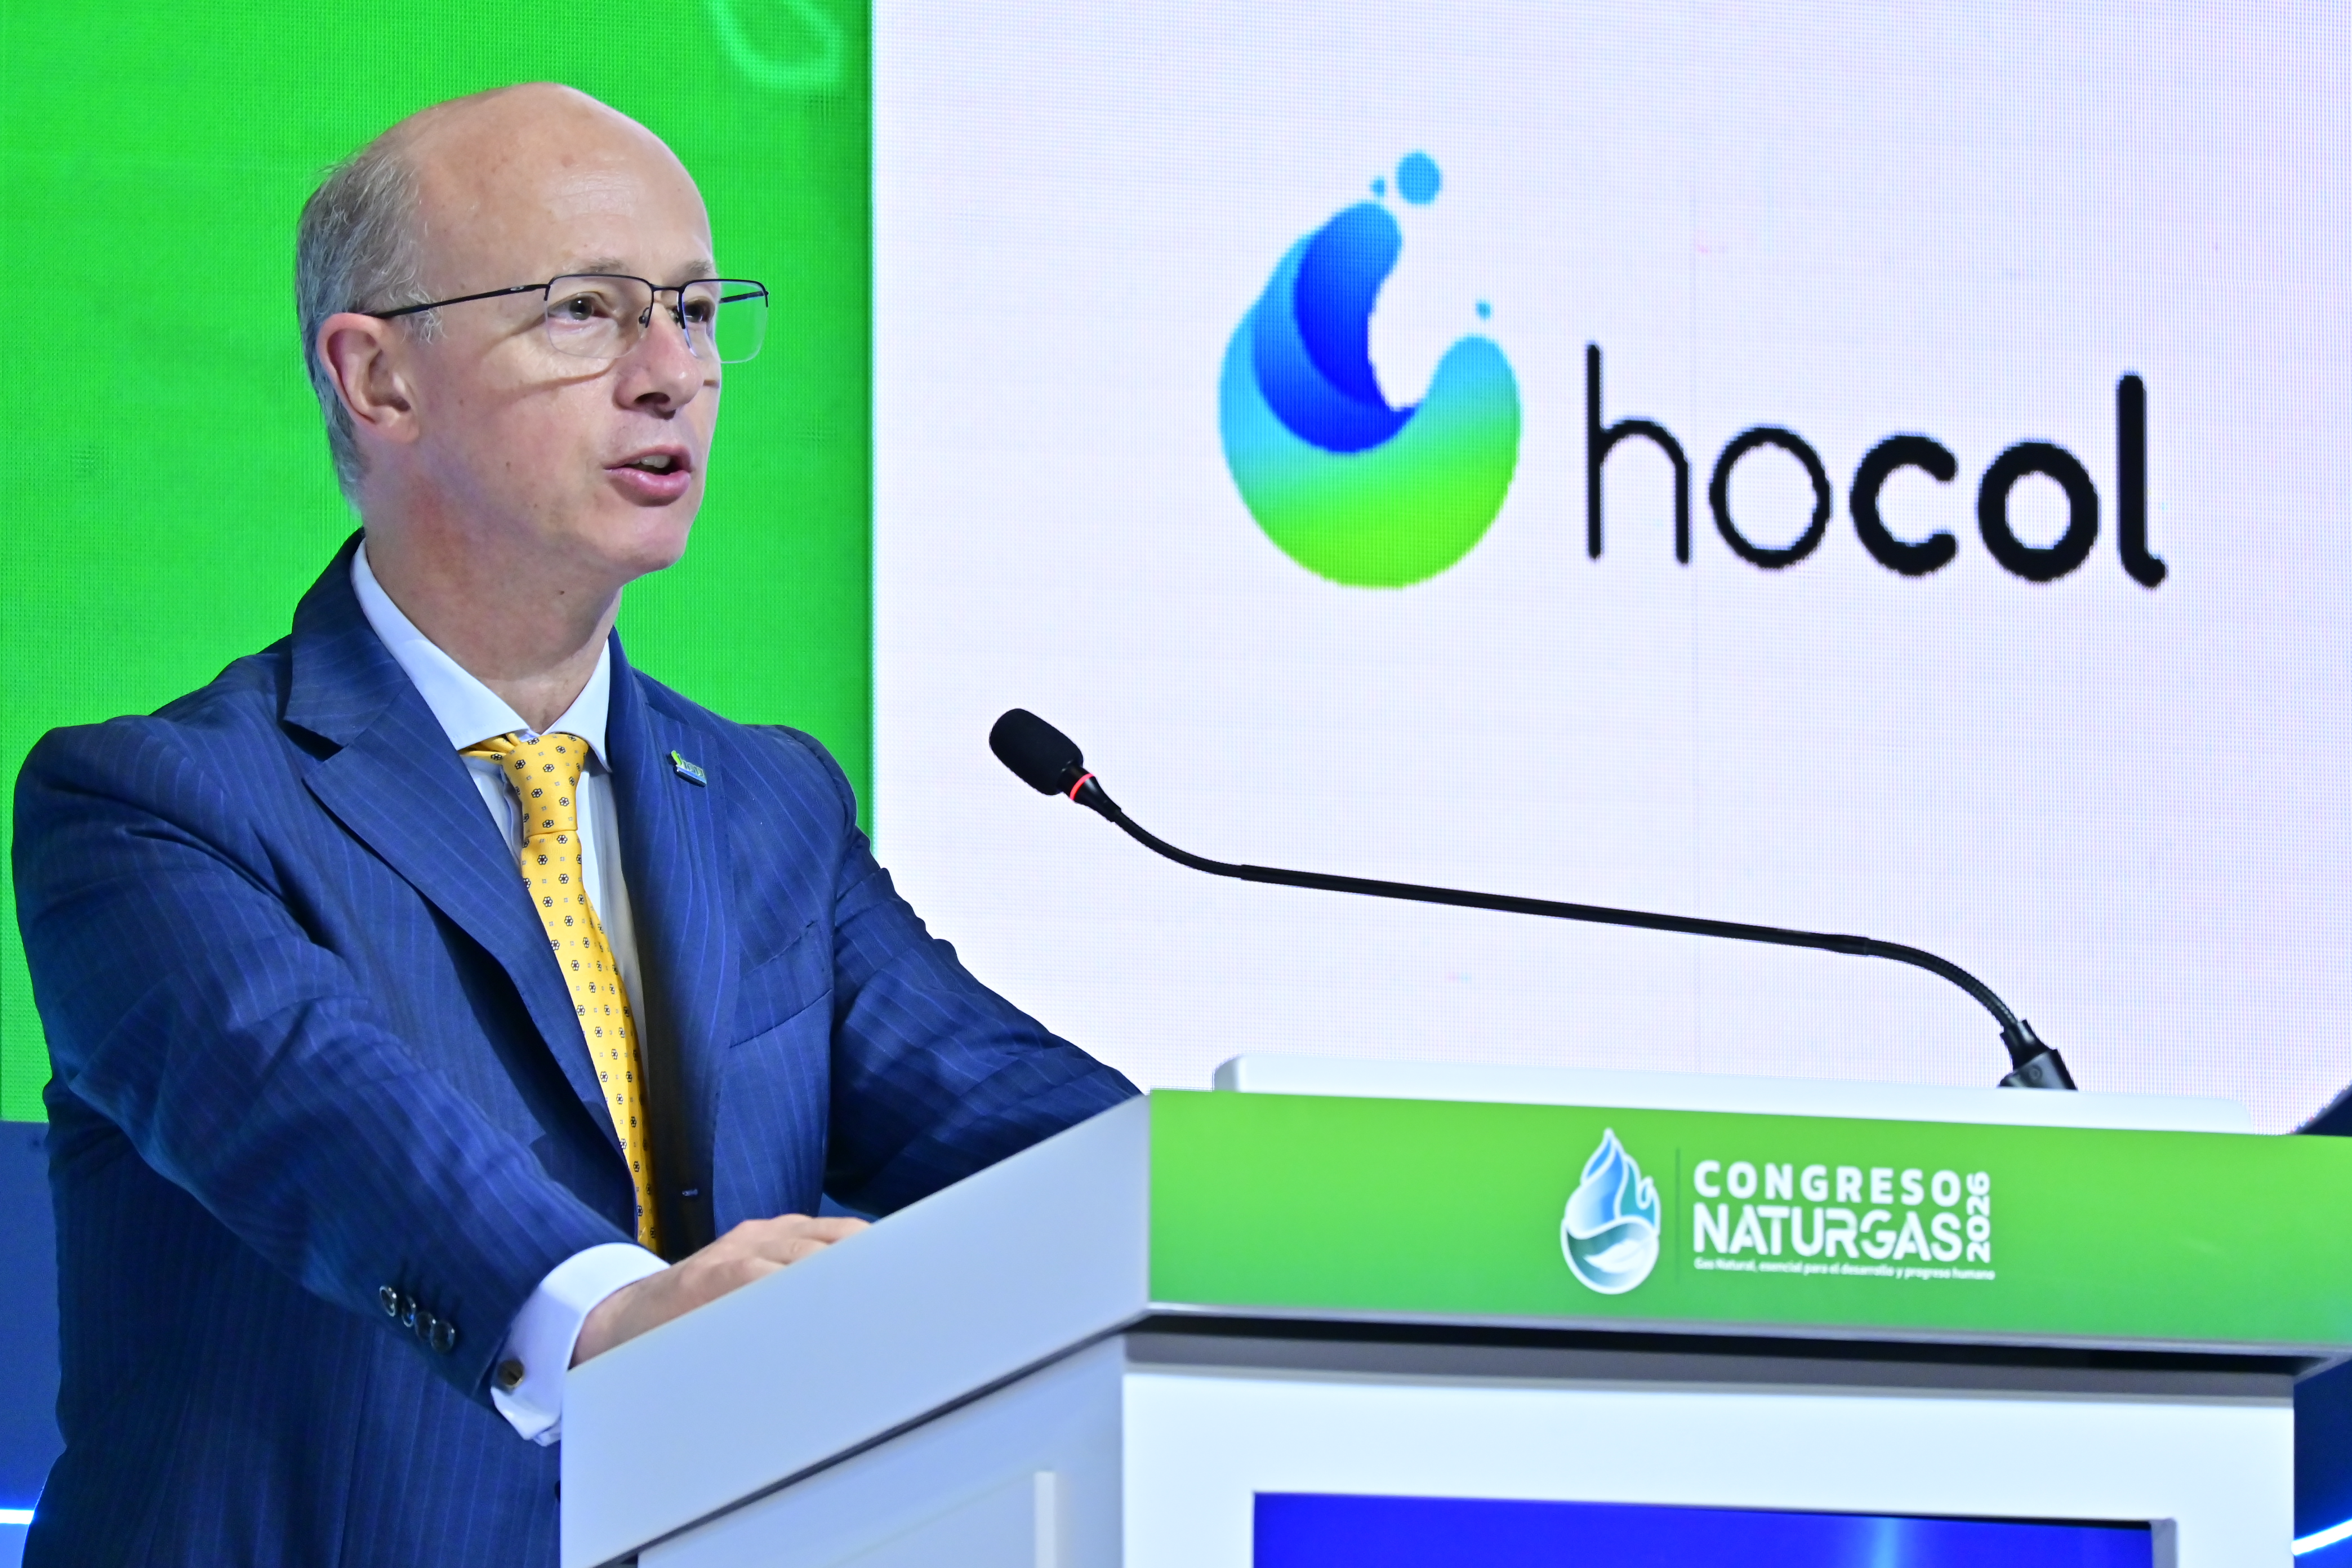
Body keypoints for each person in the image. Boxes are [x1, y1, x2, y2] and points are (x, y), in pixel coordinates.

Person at [11, 83, 1136, 1567]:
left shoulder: (770, 812)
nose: (672, 375)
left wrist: (1306, 1227)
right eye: (586, 313)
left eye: (695, 311)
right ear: (377, 377)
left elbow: (1030, 1134)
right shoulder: (150, 807)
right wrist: (616, 1316)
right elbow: (328, 1114)